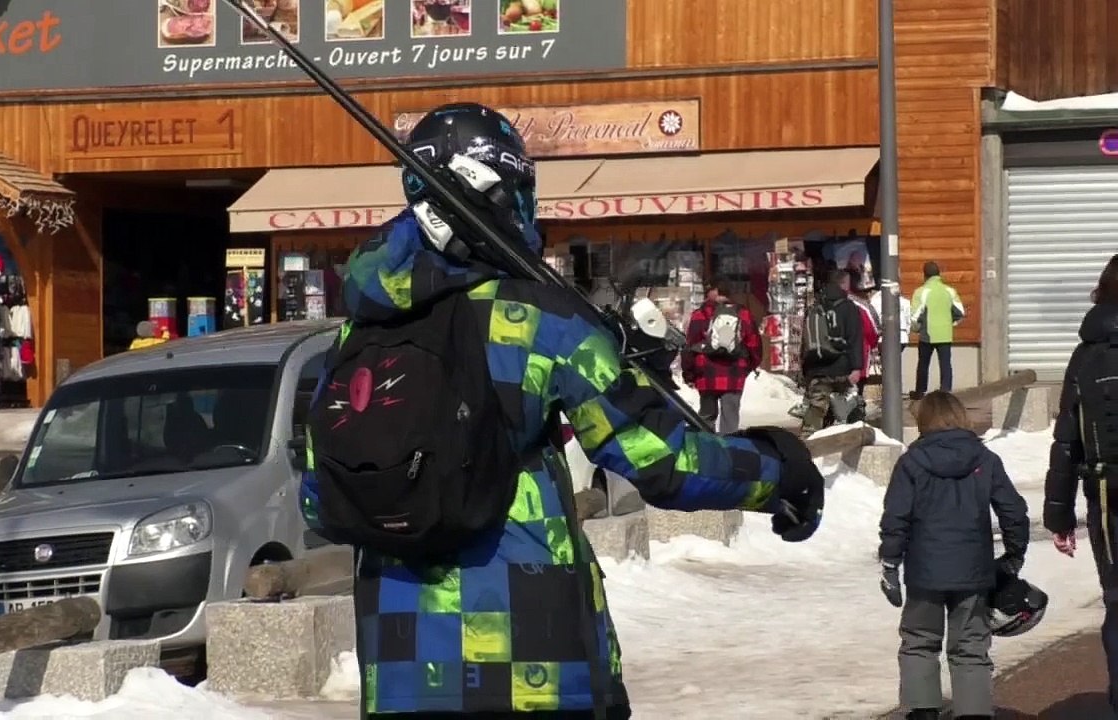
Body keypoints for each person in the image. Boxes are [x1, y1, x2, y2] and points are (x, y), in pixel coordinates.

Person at [297, 102, 826, 720]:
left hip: (399, 672)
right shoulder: (539, 321)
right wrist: (777, 470)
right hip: (534, 665)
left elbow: (318, 491)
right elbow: (659, 458)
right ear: (497, 192)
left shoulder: (359, 334)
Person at [878, 390, 1029, 720]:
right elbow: (1013, 510)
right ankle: (973, 714)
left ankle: (922, 711)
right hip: (973, 572)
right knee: (971, 647)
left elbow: (896, 517)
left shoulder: (912, 462)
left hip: (924, 572)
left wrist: (890, 562)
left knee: (919, 641)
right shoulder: (985, 460)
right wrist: (1015, 553)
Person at [1043, 252, 1118, 716]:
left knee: (1116, 600)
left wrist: (1058, 513)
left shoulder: (1085, 355)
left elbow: (1066, 439)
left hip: (1107, 493)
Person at [681, 279, 762, 433]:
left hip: (706, 374)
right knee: (730, 418)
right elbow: (755, 345)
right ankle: (729, 450)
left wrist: (689, 374)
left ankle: (707, 449)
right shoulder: (743, 313)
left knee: (706, 417)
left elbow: (690, 346)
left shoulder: (700, 314)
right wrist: (747, 367)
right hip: (734, 373)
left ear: (713, 292)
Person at [799, 269, 865, 434]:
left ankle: (809, 446)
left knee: (816, 411)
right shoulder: (848, 307)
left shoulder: (815, 306)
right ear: (843, 284)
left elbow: (805, 341)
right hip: (841, 367)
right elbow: (855, 338)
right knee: (848, 412)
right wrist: (857, 367)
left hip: (817, 369)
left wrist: (805, 370)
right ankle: (842, 446)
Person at [909, 262, 965, 398]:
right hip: (945, 333)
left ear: (925, 275)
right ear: (939, 274)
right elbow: (960, 312)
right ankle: (946, 392)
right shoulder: (949, 291)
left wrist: (916, 329)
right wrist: (951, 323)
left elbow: (915, 316)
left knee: (923, 364)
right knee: (945, 364)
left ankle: (920, 392)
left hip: (927, 333)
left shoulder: (921, 292)